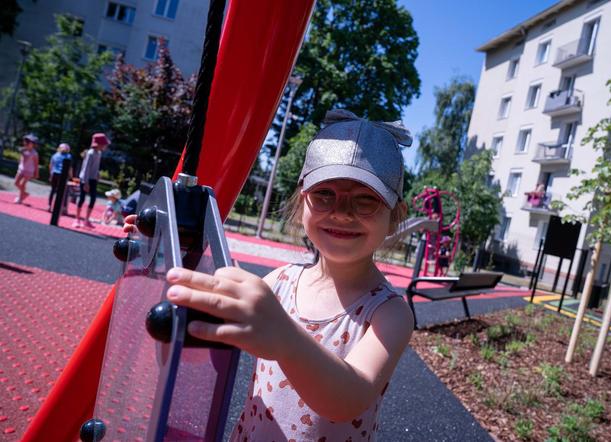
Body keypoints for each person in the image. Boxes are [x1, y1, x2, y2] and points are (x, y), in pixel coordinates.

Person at [124, 109, 414, 440]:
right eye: (324, 195)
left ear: (395, 215)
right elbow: (211, 324)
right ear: (302, 198)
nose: (342, 213)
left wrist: (286, 339)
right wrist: (160, 250)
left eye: (366, 201)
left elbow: (349, 397)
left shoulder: (388, 313)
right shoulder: (281, 281)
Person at [74, 133, 110, 228]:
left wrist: (97, 173)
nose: (105, 146)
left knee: (93, 199)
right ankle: (77, 219)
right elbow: (86, 168)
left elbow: (95, 166)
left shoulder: (99, 153)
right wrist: (85, 183)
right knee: (82, 198)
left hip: (93, 179)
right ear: (98, 144)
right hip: (85, 179)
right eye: (104, 144)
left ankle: (86, 220)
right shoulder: (90, 153)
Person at [14, 133, 40, 204]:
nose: (26, 143)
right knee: (16, 183)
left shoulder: (35, 153)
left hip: (29, 171)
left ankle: (20, 198)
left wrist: (36, 173)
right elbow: (21, 159)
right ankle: (24, 193)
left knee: (23, 184)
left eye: (28, 142)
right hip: (21, 169)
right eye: (25, 142)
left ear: (33, 144)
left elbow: (36, 164)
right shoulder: (23, 150)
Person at [48, 143, 73, 212]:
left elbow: (51, 165)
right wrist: (71, 176)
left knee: (53, 190)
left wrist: (50, 175)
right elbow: (69, 167)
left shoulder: (55, 155)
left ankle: (49, 205)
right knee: (61, 192)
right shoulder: (68, 156)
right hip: (62, 175)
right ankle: (59, 207)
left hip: (54, 174)